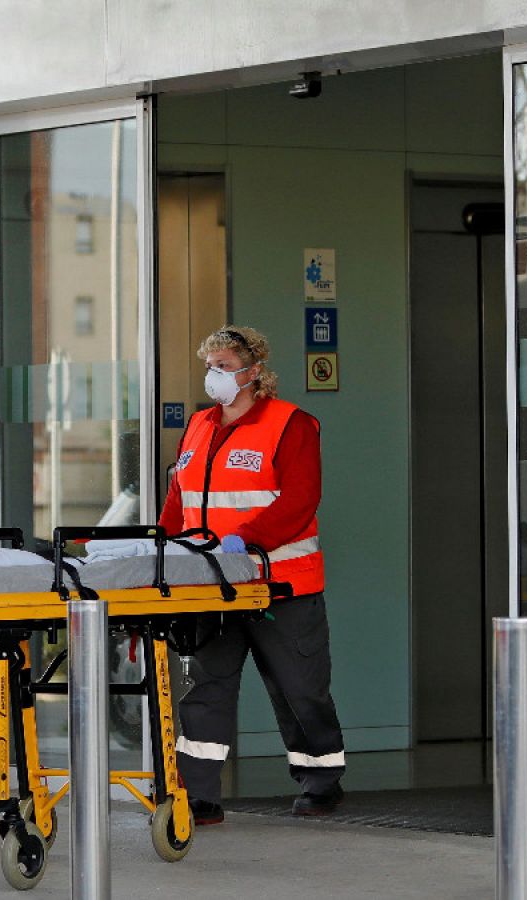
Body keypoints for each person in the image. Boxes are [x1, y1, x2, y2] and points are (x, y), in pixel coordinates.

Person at [158, 325, 345, 824]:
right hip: (211, 586)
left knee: (299, 689)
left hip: (278, 584)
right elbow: (180, 502)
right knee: (206, 689)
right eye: (209, 366)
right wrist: (162, 552)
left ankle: (321, 780)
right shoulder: (198, 426)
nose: (213, 375)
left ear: (253, 371)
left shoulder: (291, 424)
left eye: (223, 366)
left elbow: (300, 499)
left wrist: (248, 541)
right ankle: (197, 796)